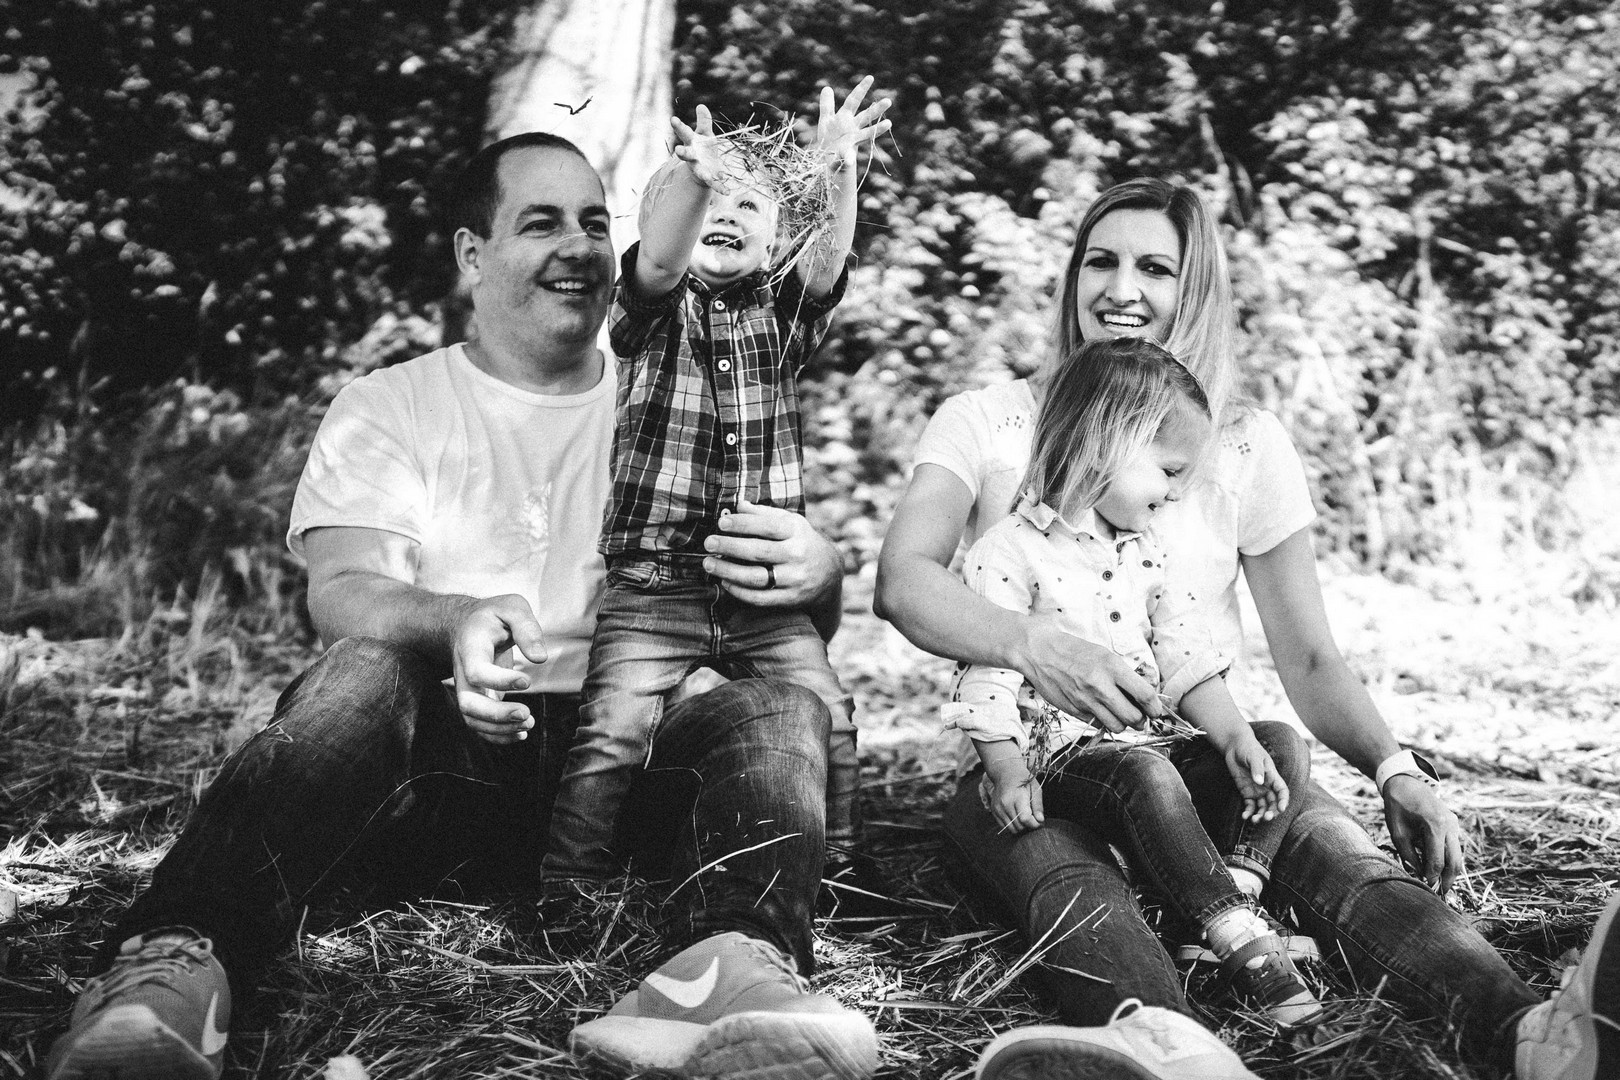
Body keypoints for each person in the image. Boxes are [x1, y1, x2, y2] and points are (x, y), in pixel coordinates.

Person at [44, 132, 879, 1080]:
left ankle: (732, 971)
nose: (579, 247)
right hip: (452, 763)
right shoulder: (391, 403)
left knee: (777, 708)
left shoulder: (681, 384)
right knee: (362, 671)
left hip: (635, 770)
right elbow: (341, 590)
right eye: (541, 223)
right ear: (472, 254)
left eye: (594, 223)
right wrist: (456, 621)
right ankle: (175, 965)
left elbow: (781, 633)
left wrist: (820, 574)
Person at [875, 176, 1619, 1079]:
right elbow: (904, 581)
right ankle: (1169, 1048)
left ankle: (1531, 1038)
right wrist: (1031, 643)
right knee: (1072, 880)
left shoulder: (1239, 441)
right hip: (1032, 765)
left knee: (1341, 854)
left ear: (1196, 290)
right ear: (1071, 276)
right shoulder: (988, 420)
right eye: (1100, 261)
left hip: (1190, 757)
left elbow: (1308, 653)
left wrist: (1393, 767)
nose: (1121, 288)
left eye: (1156, 269)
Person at [544, 79, 892, 882]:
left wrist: (837, 170)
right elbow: (661, 257)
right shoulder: (649, 313)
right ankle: (570, 888)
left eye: (749, 204)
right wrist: (694, 181)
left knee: (832, 716)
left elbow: (827, 261)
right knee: (612, 733)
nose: (726, 212)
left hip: (760, 592)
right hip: (652, 587)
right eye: (710, 198)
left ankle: (839, 871)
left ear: (775, 242)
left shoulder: (782, 320)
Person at [947, 336, 1320, 1028]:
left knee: (1280, 744)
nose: (1176, 492)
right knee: (1145, 775)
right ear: (1107, 445)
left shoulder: (1148, 550)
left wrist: (1234, 736)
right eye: (1170, 471)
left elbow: (1184, 655)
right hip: (1070, 760)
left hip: (1155, 747)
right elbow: (986, 674)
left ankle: (1225, 905)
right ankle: (1238, 936)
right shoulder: (1008, 551)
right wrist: (1004, 767)